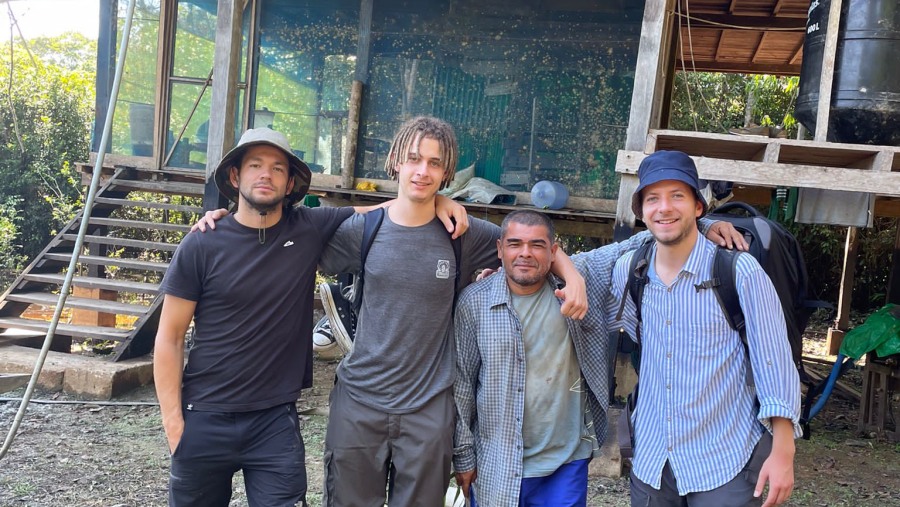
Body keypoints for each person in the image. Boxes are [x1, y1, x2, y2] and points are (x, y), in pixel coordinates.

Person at [154, 127, 467, 507]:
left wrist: (441, 202)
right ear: (235, 176)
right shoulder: (202, 242)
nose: (265, 175)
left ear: (290, 184)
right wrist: (174, 425)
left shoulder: (308, 229)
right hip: (204, 415)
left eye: (277, 168)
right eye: (254, 166)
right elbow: (169, 338)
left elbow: (386, 210)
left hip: (274, 420)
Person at [316, 116, 590, 507]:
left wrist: (572, 276)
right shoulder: (364, 231)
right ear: (395, 160)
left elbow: (526, 244)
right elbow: (291, 234)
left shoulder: (463, 233)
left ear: (447, 171)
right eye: (414, 159)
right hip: (360, 401)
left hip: (429, 408)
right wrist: (222, 219)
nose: (422, 170)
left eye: (434, 162)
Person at [453, 209, 747, 507]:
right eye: (515, 244)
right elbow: (463, 384)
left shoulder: (581, 280)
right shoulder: (475, 302)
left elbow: (632, 244)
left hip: (565, 462)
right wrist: (463, 455)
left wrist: (703, 224)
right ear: (500, 249)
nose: (525, 253)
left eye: (538, 245)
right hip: (497, 460)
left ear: (554, 251)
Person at [611, 150, 801, 507]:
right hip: (653, 461)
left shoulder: (738, 272)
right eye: (653, 198)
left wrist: (783, 452)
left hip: (724, 458)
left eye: (677, 196)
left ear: (699, 207)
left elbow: (774, 362)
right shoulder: (630, 270)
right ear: (641, 212)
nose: (664, 208)